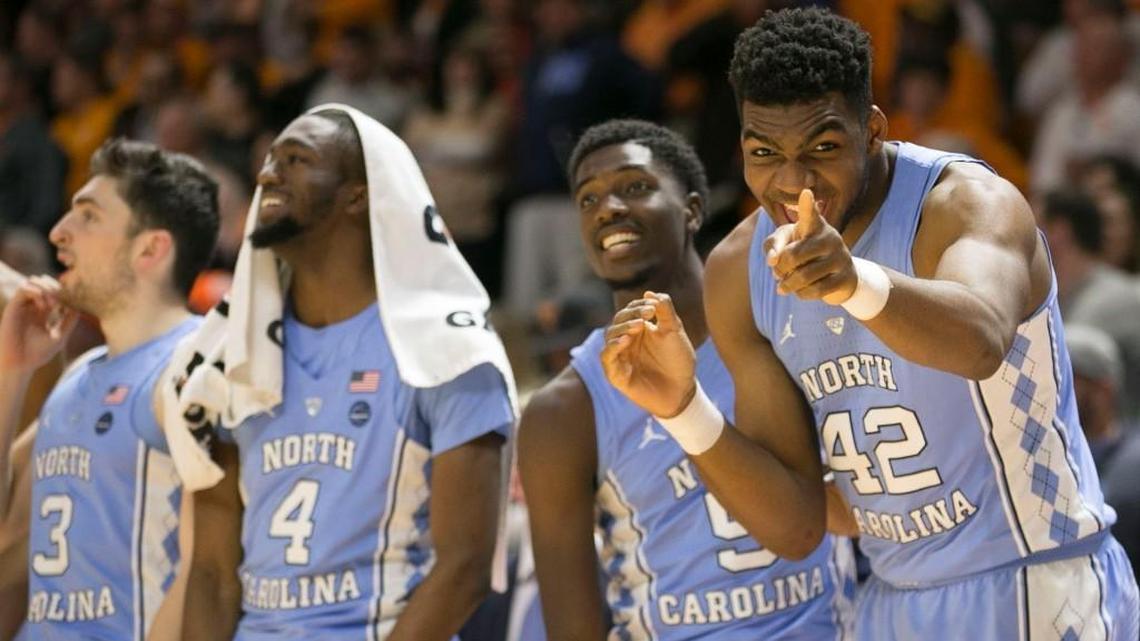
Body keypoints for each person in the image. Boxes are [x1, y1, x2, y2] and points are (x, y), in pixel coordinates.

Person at [600, 7, 1140, 640]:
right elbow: (798, 525)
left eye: (822, 148)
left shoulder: (965, 204)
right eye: (764, 153)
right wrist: (683, 409)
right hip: (889, 601)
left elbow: (982, 339)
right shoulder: (737, 273)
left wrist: (856, 282)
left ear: (873, 129)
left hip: (1035, 580)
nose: (793, 181)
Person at [178, 106, 516, 641]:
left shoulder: (447, 350)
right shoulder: (229, 354)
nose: (268, 174)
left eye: (296, 160)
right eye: (268, 161)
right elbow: (213, 573)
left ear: (359, 195)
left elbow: (464, 570)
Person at [519, 118, 855, 640]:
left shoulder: (783, 328)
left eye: (635, 187)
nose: (608, 208)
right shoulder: (565, 410)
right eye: (589, 200)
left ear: (693, 209)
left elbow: (871, 513)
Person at [0, 138, 220, 640]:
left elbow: (209, 572)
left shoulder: (198, 365)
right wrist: (12, 373)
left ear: (151, 248)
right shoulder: (81, 373)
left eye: (88, 216)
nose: (59, 232)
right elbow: (5, 548)